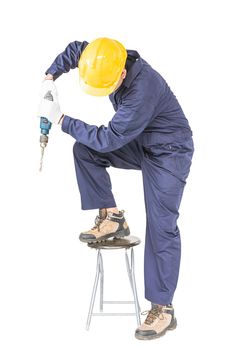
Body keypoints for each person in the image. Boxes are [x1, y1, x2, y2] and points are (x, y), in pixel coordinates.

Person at [38, 37, 194, 340]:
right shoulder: (104, 55)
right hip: (140, 141)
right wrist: (50, 75)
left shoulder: (142, 89)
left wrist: (61, 119)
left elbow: (109, 139)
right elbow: (75, 50)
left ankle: (163, 309)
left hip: (169, 152)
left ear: (122, 74)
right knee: (84, 152)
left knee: (162, 226)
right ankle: (113, 219)